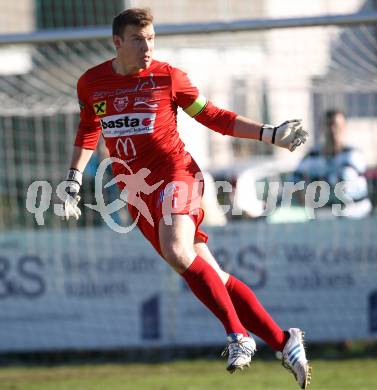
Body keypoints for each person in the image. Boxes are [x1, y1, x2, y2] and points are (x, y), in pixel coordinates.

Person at [62, 8, 311, 388]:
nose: (147, 47)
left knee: (178, 251)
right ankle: (283, 340)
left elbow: (212, 115)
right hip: (139, 193)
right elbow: (89, 129)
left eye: (151, 39)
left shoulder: (167, 77)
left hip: (178, 176)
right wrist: (74, 178)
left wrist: (269, 133)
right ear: (117, 42)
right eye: (137, 39)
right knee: (213, 274)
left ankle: (238, 336)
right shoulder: (92, 84)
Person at [294, 109, 372, 218]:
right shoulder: (312, 156)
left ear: (344, 127)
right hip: (324, 217)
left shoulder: (354, 155)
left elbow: (363, 187)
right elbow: (295, 181)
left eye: (336, 125)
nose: (333, 130)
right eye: (329, 125)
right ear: (322, 128)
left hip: (354, 216)